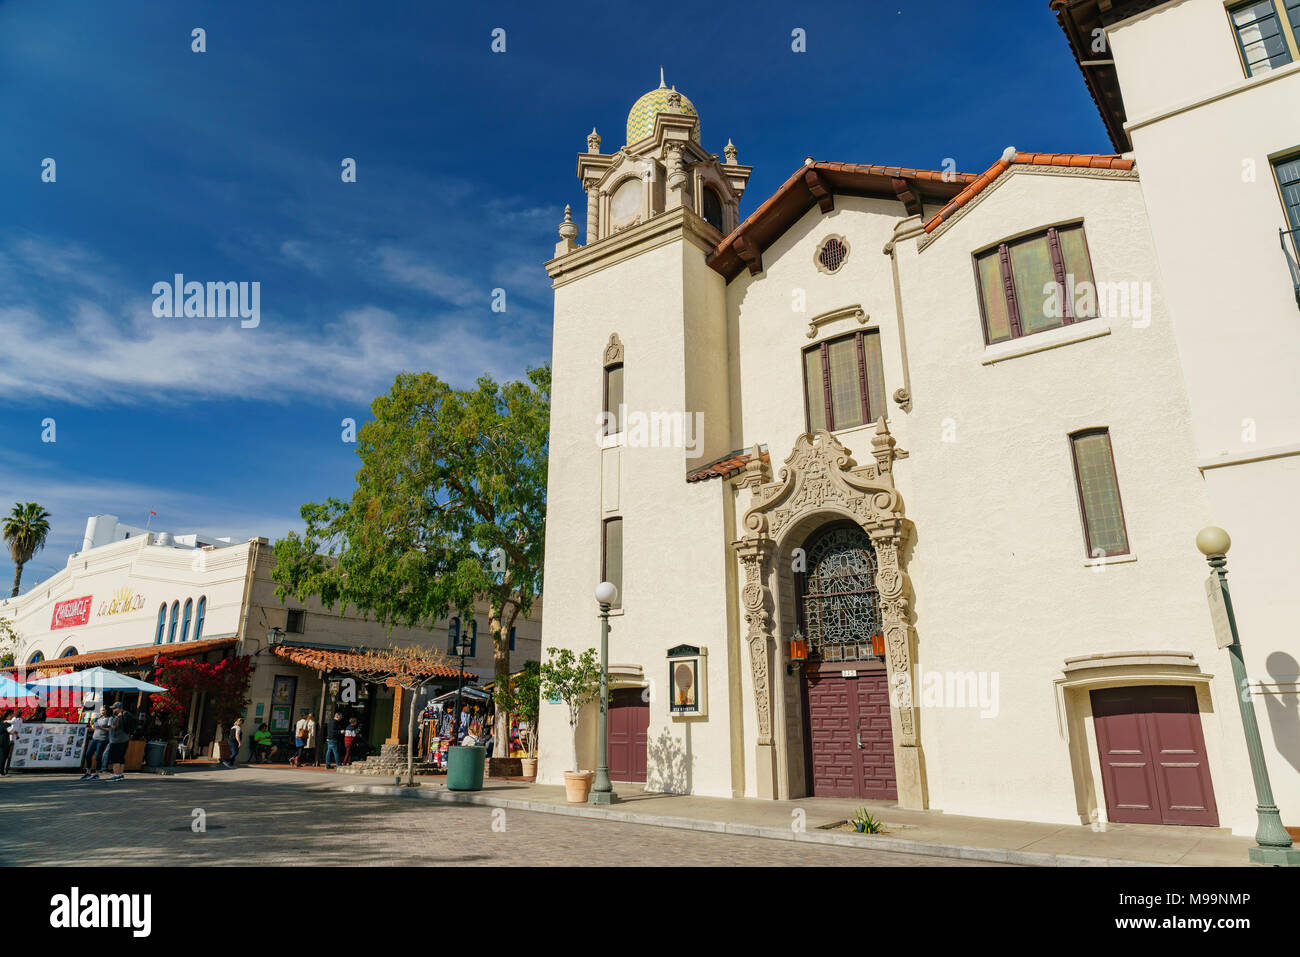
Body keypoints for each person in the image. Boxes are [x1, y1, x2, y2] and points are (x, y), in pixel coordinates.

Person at [80, 706, 111, 780]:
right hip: (94, 738)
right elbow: (95, 728)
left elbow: (110, 729)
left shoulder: (109, 719)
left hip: (102, 739)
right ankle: (88, 772)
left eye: (103, 710)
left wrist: (101, 728)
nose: (102, 711)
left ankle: (97, 774)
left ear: (106, 711)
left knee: (98, 756)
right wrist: (90, 729)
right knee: (88, 754)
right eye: (101, 710)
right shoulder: (98, 718)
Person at [104, 702, 131, 782]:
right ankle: (120, 774)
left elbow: (113, 726)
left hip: (116, 741)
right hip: (125, 739)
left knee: (115, 758)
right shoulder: (127, 715)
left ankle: (116, 775)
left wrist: (115, 719)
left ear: (119, 709)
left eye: (114, 708)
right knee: (121, 758)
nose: (113, 710)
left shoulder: (117, 717)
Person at [0, 709, 12, 776]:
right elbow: (10, 730)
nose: (12, 716)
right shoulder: (4, 723)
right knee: (2, 757)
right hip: (2, 742)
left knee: (3, 757)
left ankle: (2, 772)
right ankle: (1, 772)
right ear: (7, 716)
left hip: (3, 742)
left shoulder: (4, 722)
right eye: (11, 715)